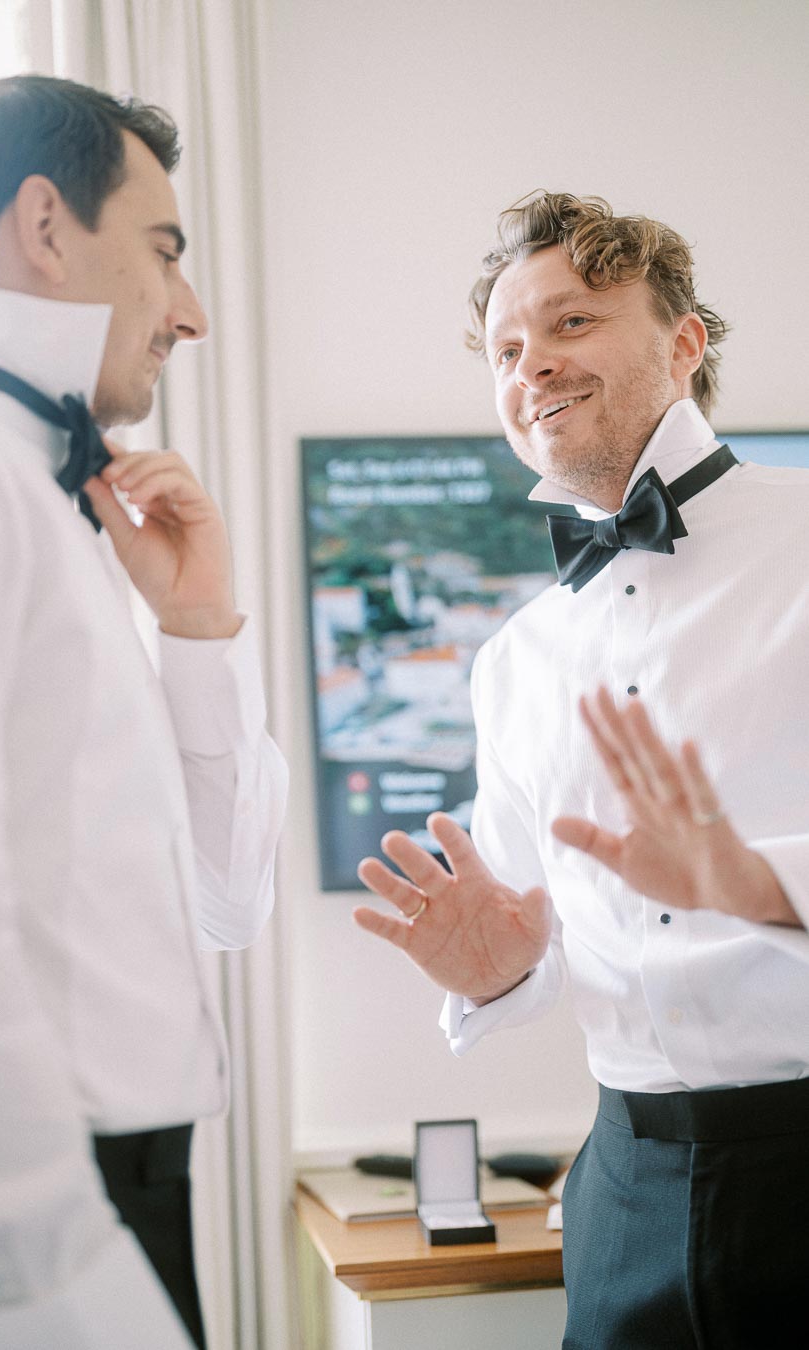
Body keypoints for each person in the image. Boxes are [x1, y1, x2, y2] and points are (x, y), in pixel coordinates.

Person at [354, 191, 809, 1349]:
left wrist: (760, 883)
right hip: (623, 1190)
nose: (533, 367)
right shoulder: (513, 661)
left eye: (570, 323)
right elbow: (537, 932)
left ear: (685, 341)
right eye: (506, 351)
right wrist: (502, 969)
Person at [0, 75, 287, 1350]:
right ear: (44, 225)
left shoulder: (54, 495)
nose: (191, 312)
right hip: (26, 1228)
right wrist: (53, 1275)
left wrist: (198, 630)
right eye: (166, 250)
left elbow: (226, 906)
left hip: (123, 1188)